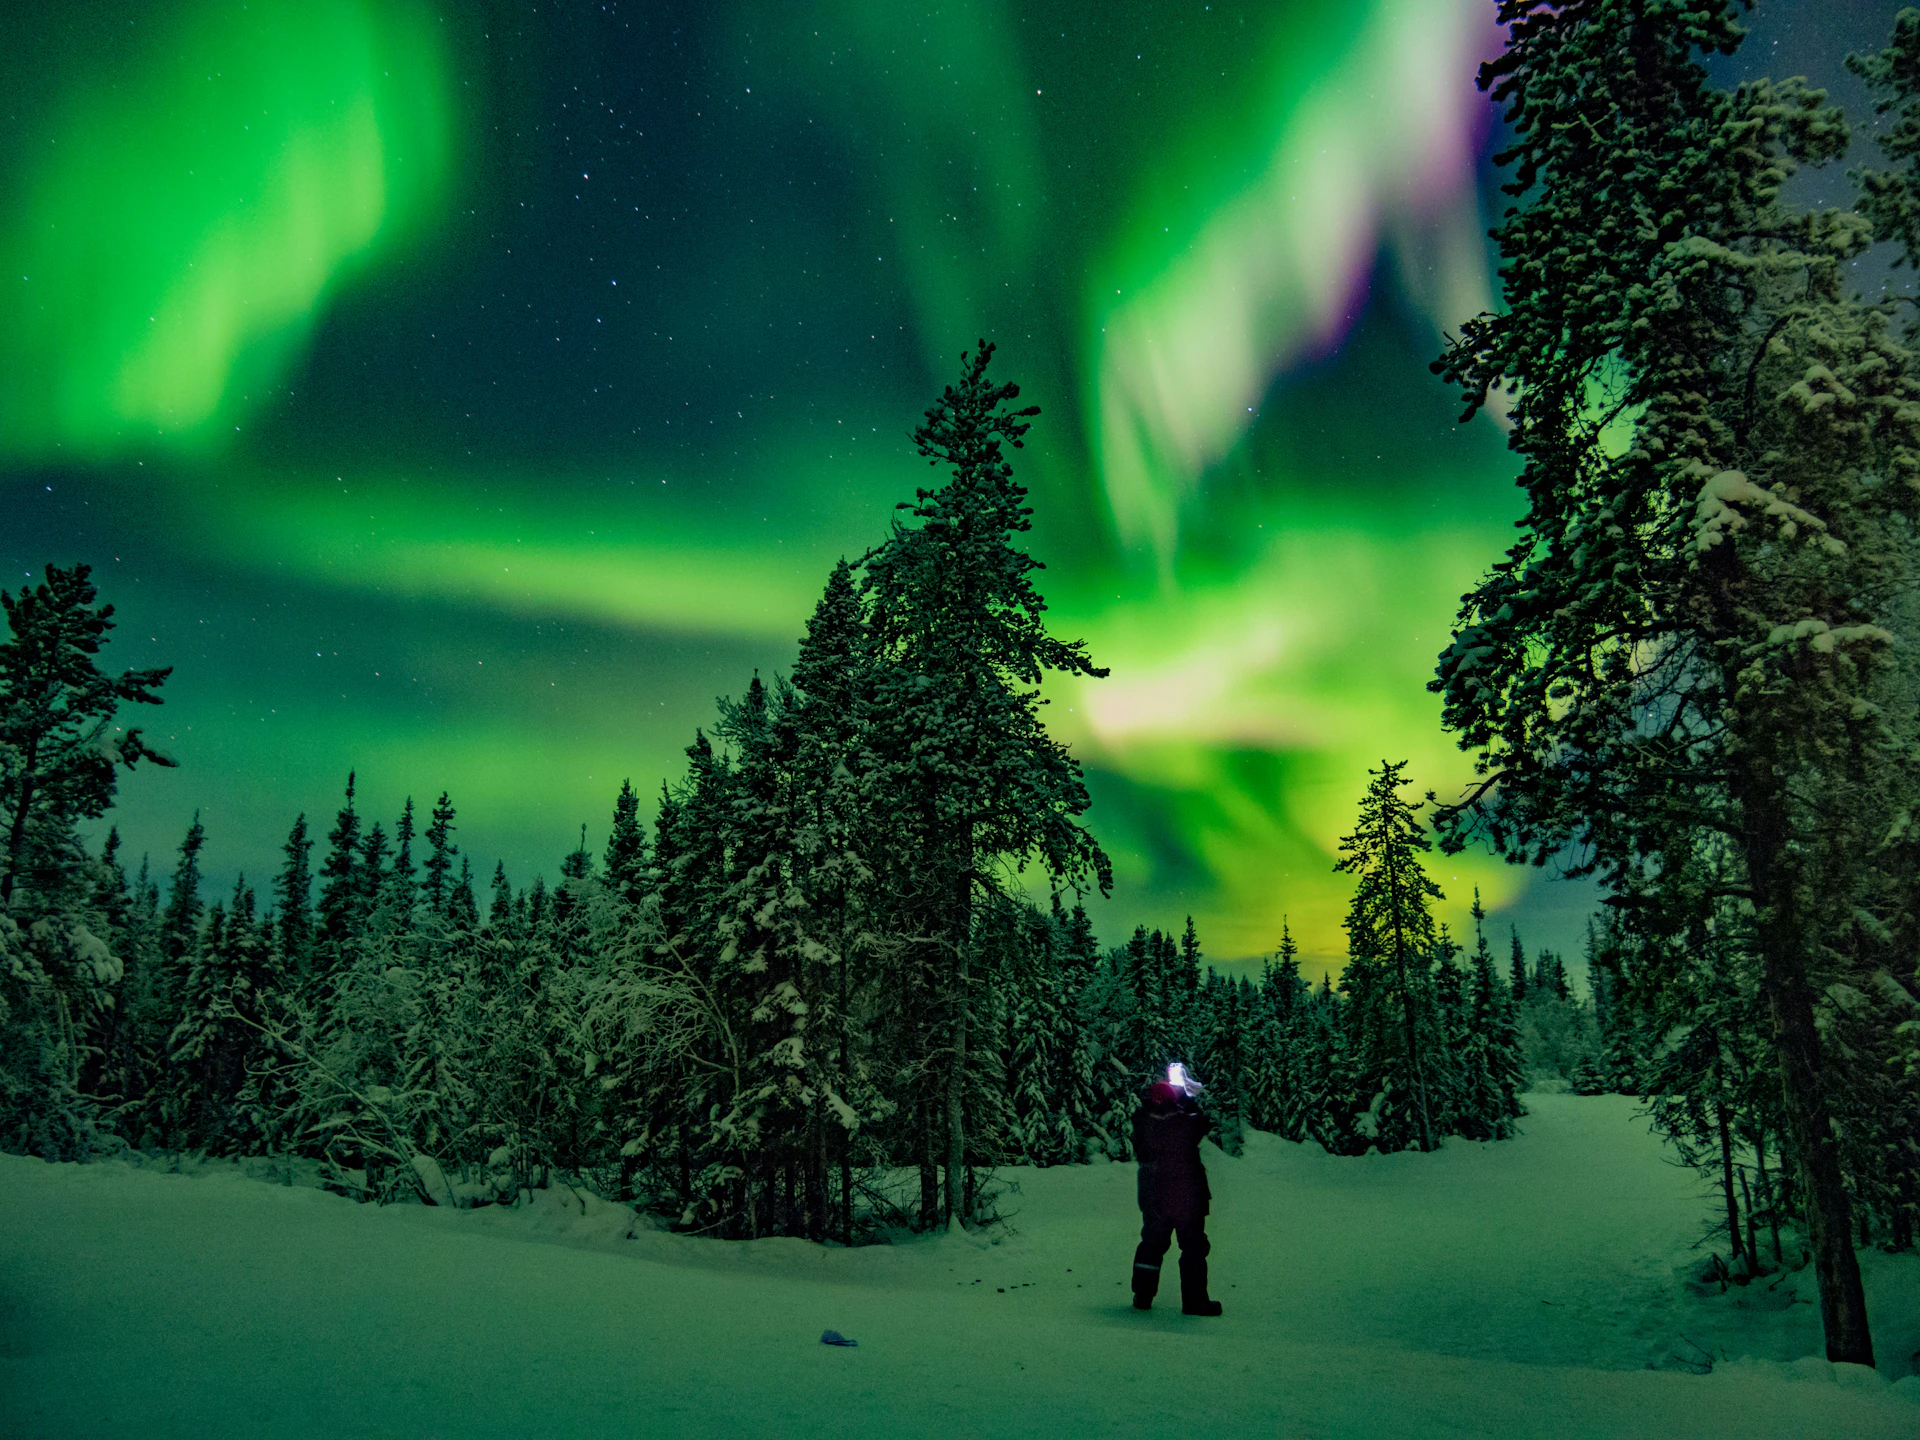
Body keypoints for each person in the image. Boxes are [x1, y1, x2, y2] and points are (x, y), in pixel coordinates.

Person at [1129, 1065, 1221, 1316]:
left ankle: (1143, 1295)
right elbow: (1200, 1125)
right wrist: (1186, 1098)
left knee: (1151, 1244)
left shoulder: (1143, 1120)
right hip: (1186, 1195)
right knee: (1192, 1247)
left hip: (1153, 1193)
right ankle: (1195, 1302)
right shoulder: (1183, 1120)